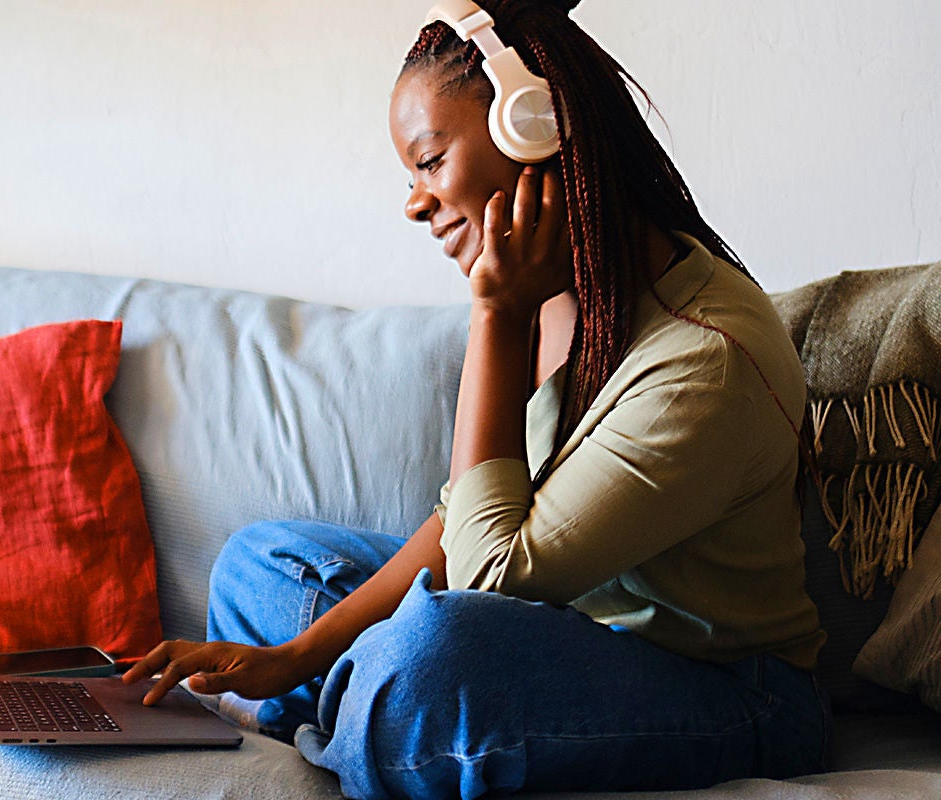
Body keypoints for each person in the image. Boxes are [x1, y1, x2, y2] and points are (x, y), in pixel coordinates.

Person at [124, 0, 831, 796]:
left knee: (435, 655)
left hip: (724, 688)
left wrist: (497, 313)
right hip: (547, 626)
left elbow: (489, 575)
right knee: (259, 566)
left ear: (534, 130)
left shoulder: (705, 357)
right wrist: (291, 655)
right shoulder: (563, 286)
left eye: (429, 162)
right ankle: (362, 719)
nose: (414, 203)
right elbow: (464, 516)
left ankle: (357, 720)